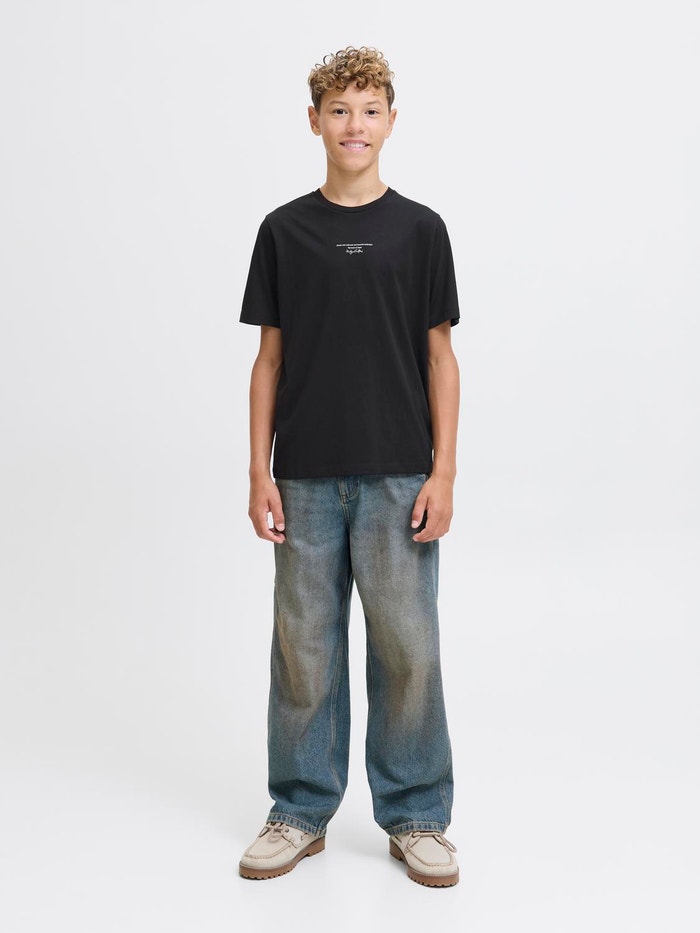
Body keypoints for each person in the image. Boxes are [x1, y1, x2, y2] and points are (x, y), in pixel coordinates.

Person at [237, 46, 461, 888]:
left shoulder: (422, 230)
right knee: (304, 649)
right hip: (303, 476)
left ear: (391, 122)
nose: (354, 125)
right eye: (339, 110)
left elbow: (440, 358)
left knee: (409, 649)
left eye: (369, 110)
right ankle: (299, 809)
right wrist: (258, 471)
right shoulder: (283, 230)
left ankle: (417, 815)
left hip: (399, 474)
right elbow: (269, 360)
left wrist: (444, 472)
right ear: (314, 121)